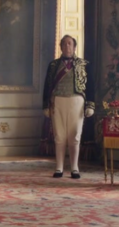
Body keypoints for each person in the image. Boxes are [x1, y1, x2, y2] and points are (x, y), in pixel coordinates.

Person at [41, 35, 93, 178]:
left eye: (69, 44)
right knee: (60, 135)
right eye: (64, 44)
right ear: (61, 47)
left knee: (75, 135)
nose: (67, 46)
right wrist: (45, 105)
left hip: (77, 102)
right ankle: (59, 167)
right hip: (58, 101)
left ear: (74, 47)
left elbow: (91, 86)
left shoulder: (84, 64)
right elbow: (47, 86)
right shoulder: (53, 65)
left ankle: (75, 168)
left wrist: (90, 105)